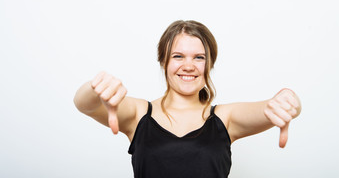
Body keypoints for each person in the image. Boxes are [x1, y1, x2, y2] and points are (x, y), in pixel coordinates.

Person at [74, 20, 301, 178]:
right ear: (163, 61)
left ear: (209, 64)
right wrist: (96, 88)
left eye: (199, 57)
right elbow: (84, 104)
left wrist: (289, 102)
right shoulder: (139, 114)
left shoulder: (225, 118)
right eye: (178, 56)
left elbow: (270, 108)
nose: (189, 65)